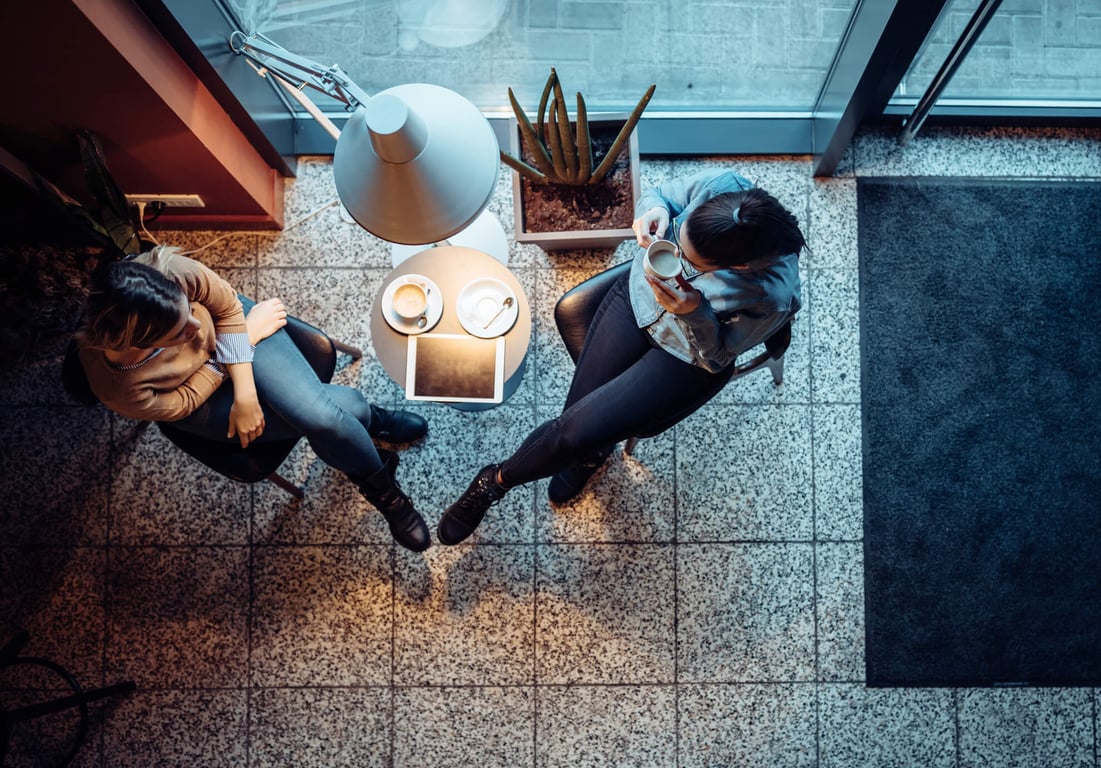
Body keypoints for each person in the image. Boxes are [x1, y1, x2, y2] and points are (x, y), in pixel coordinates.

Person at [436, 168, 804, 544]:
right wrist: (654, 210)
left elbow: (718, 358)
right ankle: (590, 457)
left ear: (737, 267)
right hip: (637, 300)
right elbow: (662, 194)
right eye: (678, 236)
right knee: (576, 426)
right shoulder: (724, 188)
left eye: (692, 264)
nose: (676, 254)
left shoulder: (770, 296)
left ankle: (494, 481)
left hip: (684, 355)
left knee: (576, 431)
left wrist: (693, 311)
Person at [76, 245, 432, 551]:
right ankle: (376, 442)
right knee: (341, 411)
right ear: (140, 344)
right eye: (179, 333)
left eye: (190, 312)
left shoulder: (167, 271)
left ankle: (381, 474)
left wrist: (245, 386)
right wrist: (236, 352)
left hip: (239, 332)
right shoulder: (118, 387)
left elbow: (227, 309)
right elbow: (182, 403)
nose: (197, 329)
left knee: (322, 418)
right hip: (200, 396)